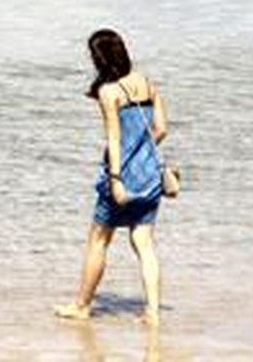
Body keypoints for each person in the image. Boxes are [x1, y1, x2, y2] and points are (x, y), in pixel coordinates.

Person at [55, 27, 168, 325]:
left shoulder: (109, 92)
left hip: (123, 176)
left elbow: (114, 139)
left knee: (98, 240)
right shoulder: (146, 82)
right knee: (144, 244)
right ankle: (153, 312)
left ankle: (82, 305)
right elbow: (161, 129)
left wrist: (116, 177)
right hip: (150, 176)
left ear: (100, 59)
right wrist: (143, 151)